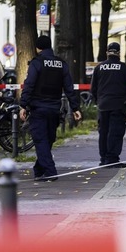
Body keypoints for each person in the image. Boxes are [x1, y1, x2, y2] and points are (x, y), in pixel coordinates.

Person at [19, 35, 81, 182]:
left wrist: (23, 105)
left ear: (38, 48)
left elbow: (29, 85)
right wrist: (75, 108)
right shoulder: (61, 64)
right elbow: (69, 88)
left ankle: (50, 172)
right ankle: (39, 170)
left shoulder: (36, 63)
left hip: (38, 107)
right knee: (48, 139)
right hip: (54, 108)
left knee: (41, 140)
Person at [90, 42, 126, 168]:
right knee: (115, 132)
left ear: (107, 52)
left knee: (103, 132)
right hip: (118, 104)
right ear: (119, 53)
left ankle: (104, 158)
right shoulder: (125, 68)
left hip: (103, 104)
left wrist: (98, 100)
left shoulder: (99, 68)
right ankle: (112, 159)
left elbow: (93, 88)